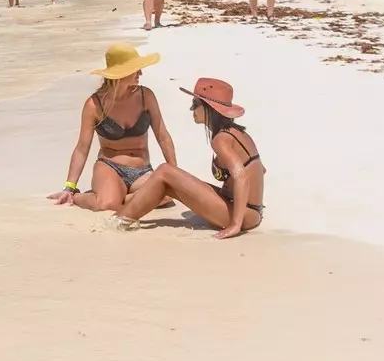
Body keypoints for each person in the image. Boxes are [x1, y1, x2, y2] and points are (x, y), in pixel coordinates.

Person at [119, 78, 265, 239]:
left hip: (244, 213)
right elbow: (260, 169)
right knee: (166, 182)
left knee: (165, 171)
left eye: (195, 104)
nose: (191, 108)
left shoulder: (221, 139)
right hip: (247, 209)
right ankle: (124, 217)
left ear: (210, 108)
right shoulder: (238, 133)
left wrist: (236, 225)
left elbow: (241, 176)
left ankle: (120, 221)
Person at [47, 43, 178, 216]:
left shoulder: (146, 96)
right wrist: (69, 187)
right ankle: (78, 198)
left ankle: (120, 197)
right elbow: (82, 148)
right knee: (107, 205)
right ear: (120, 74)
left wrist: (175, 174)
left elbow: (163, 137)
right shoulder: (94, 105)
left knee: (167, 196)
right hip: (110, 167)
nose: (140, 73)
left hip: (143, 170)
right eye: (135, 69)